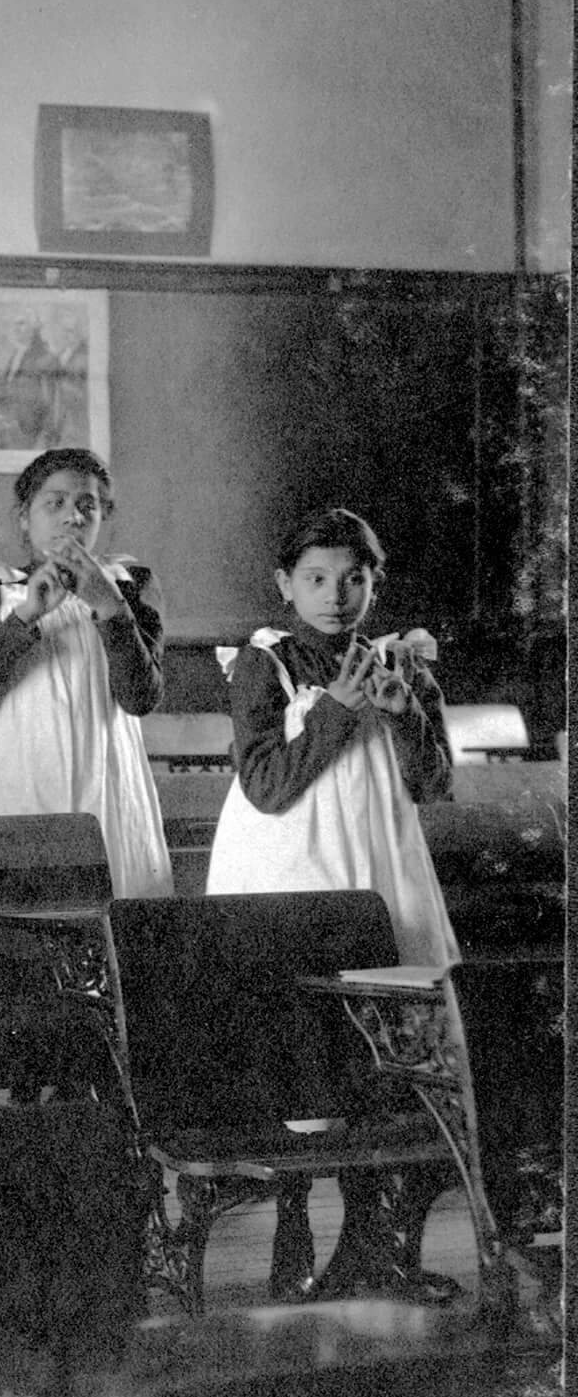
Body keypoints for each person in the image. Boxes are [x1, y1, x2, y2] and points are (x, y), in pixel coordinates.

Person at [207, 507, 460, 1307]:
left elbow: (432, 785)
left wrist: (402, 713)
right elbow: (268, 786)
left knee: (390, 1041)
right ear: (285, 584)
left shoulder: (402, 660)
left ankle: (374, 1243)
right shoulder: (264, 663)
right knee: (303, 1046)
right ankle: (292, 1223)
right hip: (292, 865)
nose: (336, 595)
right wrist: (339, 712)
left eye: (355, 579)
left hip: (381, 859)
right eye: (316, 579)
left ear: (374, 584)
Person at [0, 448, 171, 897]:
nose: (73, 517)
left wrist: (108, 607)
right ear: (24, 519)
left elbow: (140, 698)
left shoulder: (129, 588)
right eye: (55, 503)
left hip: (102, 777)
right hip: (13, 777)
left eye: (87, 505)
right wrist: (25, 615)